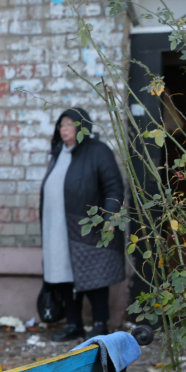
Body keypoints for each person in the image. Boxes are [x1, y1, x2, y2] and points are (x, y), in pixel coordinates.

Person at [40, 108, 124, 342]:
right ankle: (73, 324)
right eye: (61, 125)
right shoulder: (59, 152)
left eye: (70, 124)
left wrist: (111, 217)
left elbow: (113, 186)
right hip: (58, 226)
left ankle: (100, 324)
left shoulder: (98, 151)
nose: (64, 129)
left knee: (94, 274)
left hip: (89, 225)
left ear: (82, 126)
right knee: (64, 274)